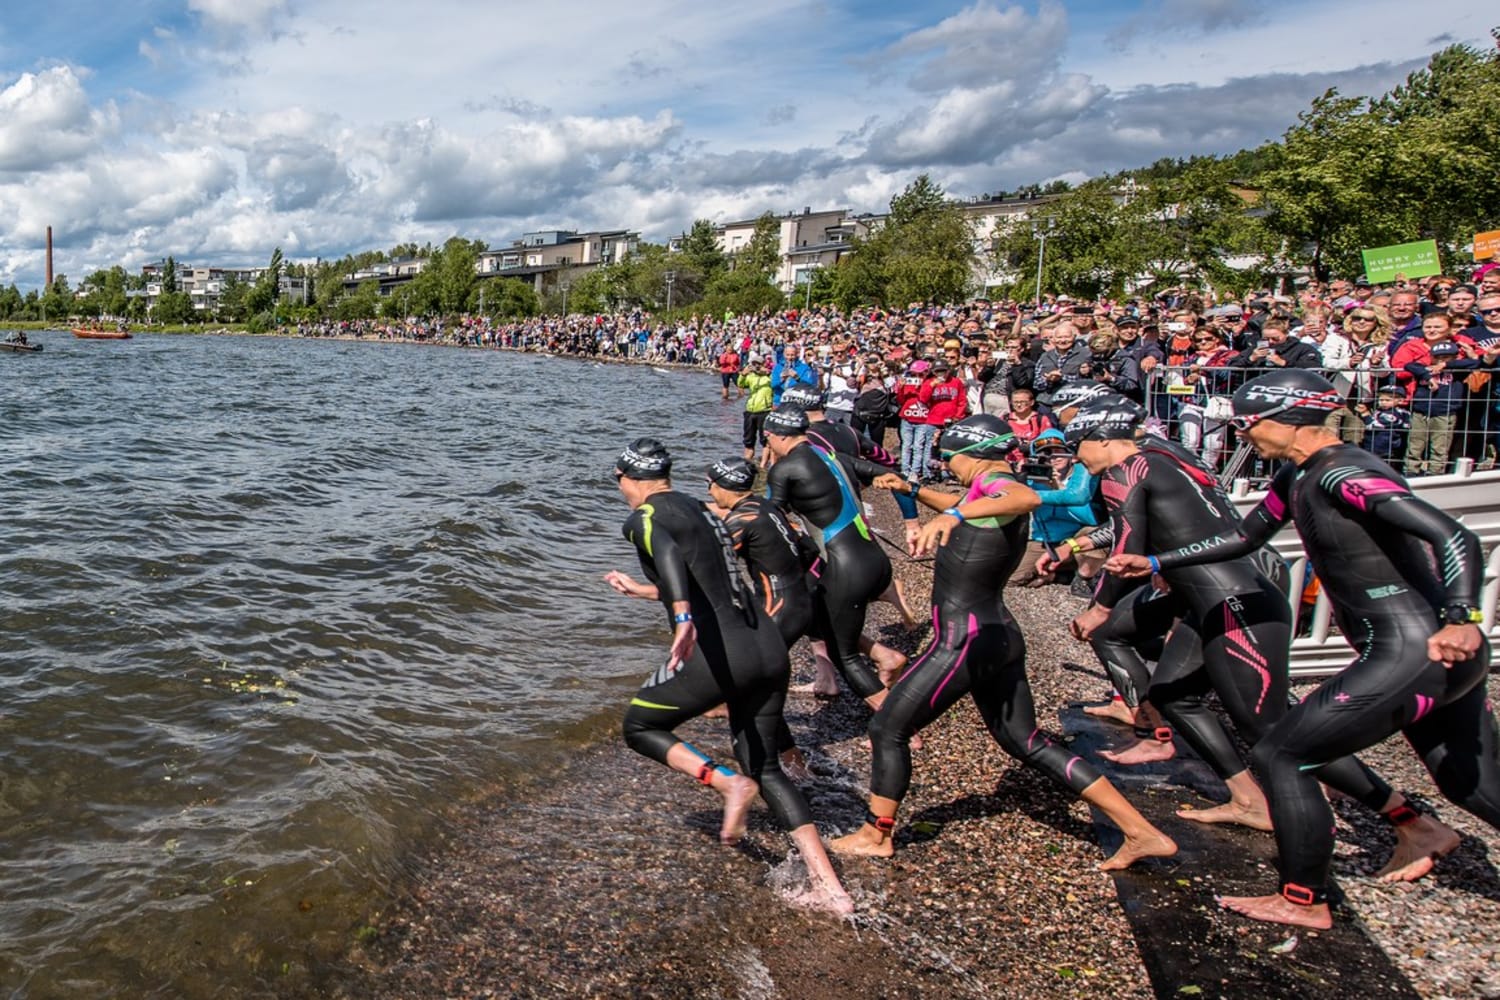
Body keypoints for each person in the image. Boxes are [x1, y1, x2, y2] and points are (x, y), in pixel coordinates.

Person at [1104, 369, 1499, 930]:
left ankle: (1301, 898)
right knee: (1472, 784)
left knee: (1282, 753)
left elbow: (1451, 535)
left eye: (1245, 425)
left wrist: (1463, 617)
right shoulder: (1297, 474)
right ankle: (1424, 832)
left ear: (1281, 419)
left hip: (1420, 647)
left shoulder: (1343, 472)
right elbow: (1243, 537)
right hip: (1417, 650)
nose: (1243, 437)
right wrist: (1158, 563)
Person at [1066, 398, 1434, 851]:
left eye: (1076, 445)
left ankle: (1409, 821)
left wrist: (1100, 608)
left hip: (1235, 604)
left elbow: (1127, 544)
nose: (1076, 457)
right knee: (1175, 697)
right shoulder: (1168, 456)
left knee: (1275, 732)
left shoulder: (1124, 472)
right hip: (1219, 599)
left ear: (1101, 440)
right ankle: (1248, 799)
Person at [828, 415, 1178, 869]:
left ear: (970, 456)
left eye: (949, 459)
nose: (947, 467)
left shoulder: (1004, 488)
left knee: (887, 728)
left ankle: (876, 836)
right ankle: (1140, 831)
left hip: (964, 639)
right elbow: (968, 499)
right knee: (1025, 741)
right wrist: (915, 491)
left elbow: (1023, 497)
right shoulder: (987, 486)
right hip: (997, 634)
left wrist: (952, 515)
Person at [604, 438, 853, 915]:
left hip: (724, 653)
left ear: (625, 478)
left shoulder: (645, 518)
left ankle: (724, 784)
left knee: (640, 727)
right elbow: (707, 580)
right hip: (767, 646)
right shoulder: (702, 512)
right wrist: (642, 591)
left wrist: (681, 618)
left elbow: (670, 559)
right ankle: (830, 886)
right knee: (765, 766)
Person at [762, 405, 894, 714]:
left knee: (843, 654)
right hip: (874, 559)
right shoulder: (830, 456)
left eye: (767, 439)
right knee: (814, 613)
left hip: (846, 567)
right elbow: (886, 473)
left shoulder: (785, 469)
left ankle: (898, 727)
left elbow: (769, 521)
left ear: (775, 436)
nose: (767, 445)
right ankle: (885, 657)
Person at [737, 357, 774, 465]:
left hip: (764, 410)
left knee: (765, 440)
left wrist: (768, 373)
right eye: (754, 364)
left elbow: (777, 384)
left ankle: (764, 464)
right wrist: (743, 374)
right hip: (750, 410)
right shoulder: (751, 376)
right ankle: (747, 461)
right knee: (748, 439)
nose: (757, 366)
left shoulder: (769, 377)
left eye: (759, 364)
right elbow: (741, 384)